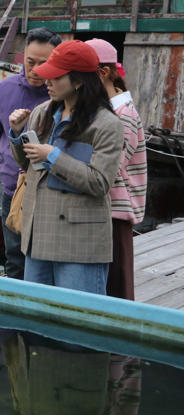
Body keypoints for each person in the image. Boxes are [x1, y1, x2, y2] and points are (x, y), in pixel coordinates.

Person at [9, 40, 123, 294]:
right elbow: (29, 168)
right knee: (35, 320)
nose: (46, 81)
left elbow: (100, 183)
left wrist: (54, 156)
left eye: (55, 76)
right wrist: (17, 135)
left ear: (79, 80)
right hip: (38, 237)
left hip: (79, 246)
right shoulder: (41, 113)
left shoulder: (107, 125)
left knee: (79, 323)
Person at [0, 28, 61, 279]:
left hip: (49, 193)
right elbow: (0, 132)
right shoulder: (5, 89)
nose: (35, 70)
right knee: (14, 260)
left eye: (44, 63)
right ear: (23, 57)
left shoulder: (61, 94)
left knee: (46, 262)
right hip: (14, 190)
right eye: (30, 62)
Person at [86, 38, 147, 300]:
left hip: (116, 213)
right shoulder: (113, 110)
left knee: (116, 289)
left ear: (101, 73)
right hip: (108, 211)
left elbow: (109, 168)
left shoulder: (122, 115)